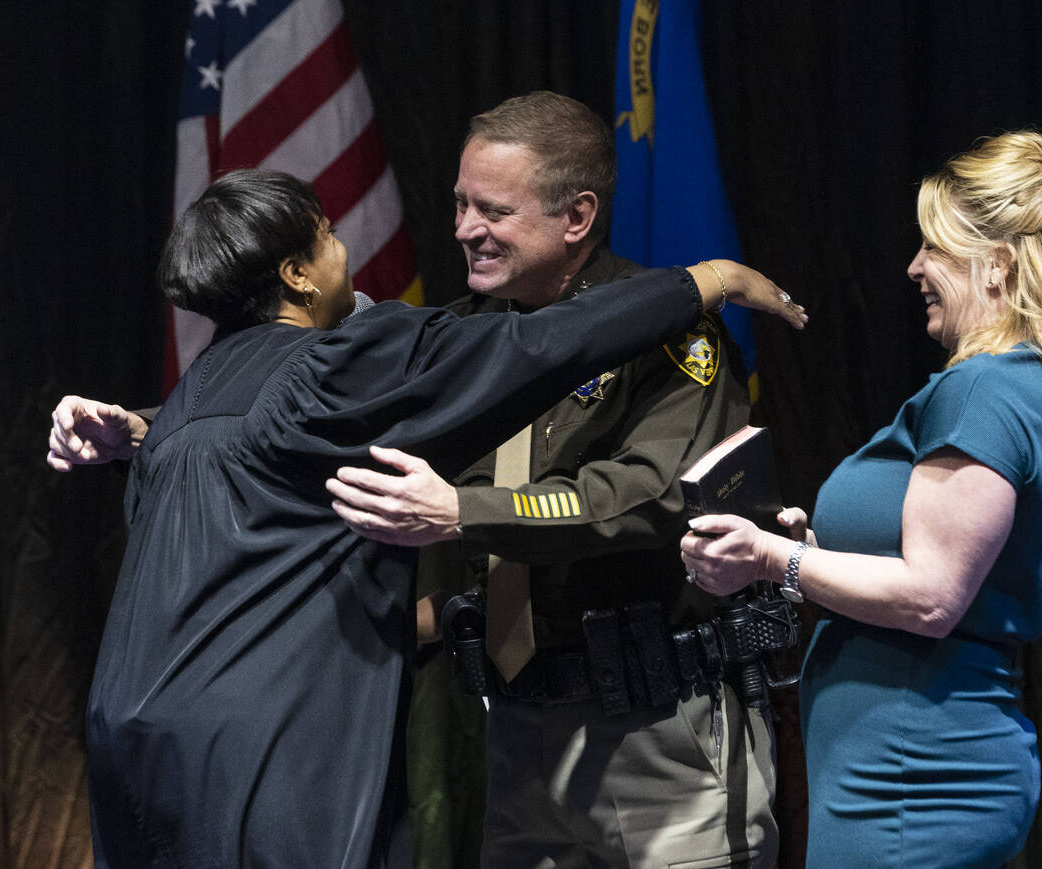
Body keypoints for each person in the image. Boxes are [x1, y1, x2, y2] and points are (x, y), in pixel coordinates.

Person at [47, 167, 804, 868]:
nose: (346, 253)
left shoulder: (188, 397)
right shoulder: (334, 365)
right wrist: (706, 279)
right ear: (297, 275)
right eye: (330, 239)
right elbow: (539, 346)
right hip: (260, 754)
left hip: (133, 745)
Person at [325, 91, 783, 868]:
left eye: (493, 210)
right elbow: (319, 411)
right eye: (462, 203)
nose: (466, 229)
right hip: (517, 732)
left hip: (656, 734)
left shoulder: (667, 332)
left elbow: (650, 493)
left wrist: (460, 509)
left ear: (576, 218)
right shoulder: (468, 336)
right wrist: (147, 428)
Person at [679, 131, 1042, 867]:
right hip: (902, 768)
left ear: (999, 265)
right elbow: (937, 568)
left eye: (935, 247)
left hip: (911, 778)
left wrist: (774, 557)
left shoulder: (987, 386)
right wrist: (817, 550)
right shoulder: (1008, 385)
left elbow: (931, 596)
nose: (914, 267)